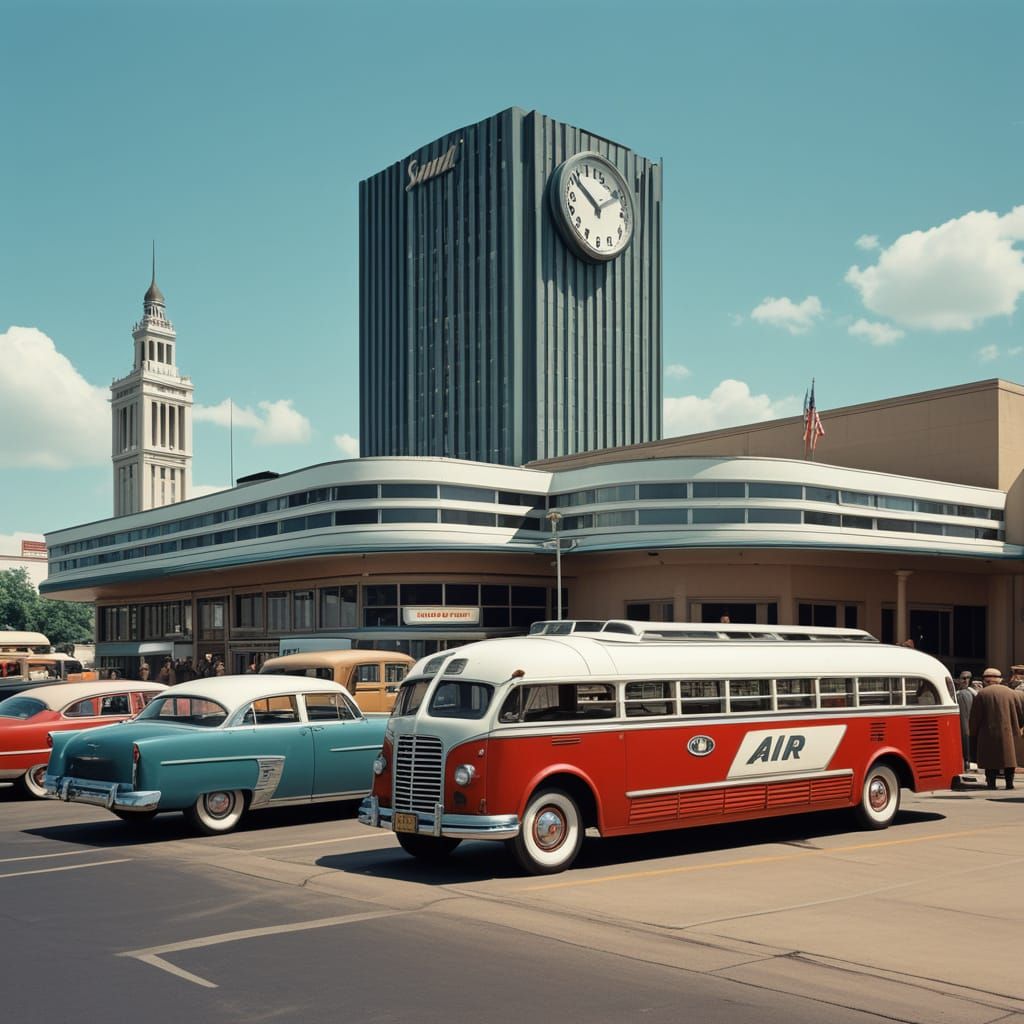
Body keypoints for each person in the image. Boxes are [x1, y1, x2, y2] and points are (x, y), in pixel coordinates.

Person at [969, 667, 1024, 789]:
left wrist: (973, 733)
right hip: (1009, 733)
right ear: (999, 679)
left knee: (990, 761)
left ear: (986, 680)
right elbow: (1020, 714)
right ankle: (1009, 784)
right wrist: (1017, 727)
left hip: (987, 734)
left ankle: (991, 784)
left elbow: (975, 718)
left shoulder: (982, 694)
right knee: (1009, 760)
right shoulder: (1012, 693)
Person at [954, 672, 974, 772]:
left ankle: (967, 762)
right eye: (963, 678)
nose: (966, 680)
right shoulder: (961, 693)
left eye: (968, 678)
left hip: (966, 722)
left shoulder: (967, 693)